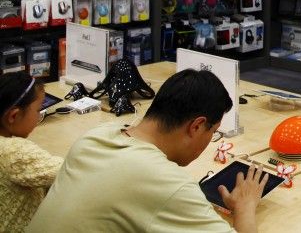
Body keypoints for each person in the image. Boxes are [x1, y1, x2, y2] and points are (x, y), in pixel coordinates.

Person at [27, 69, 267, 233]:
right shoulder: (168, 185)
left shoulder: (96, 136)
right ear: (196, 126)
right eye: (212, 132)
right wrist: (245, 207)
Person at [0, 73, 63, 233]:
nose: (38, 118)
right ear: (13, 116)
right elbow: (69, 169)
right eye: (38, 111)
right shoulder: (15, 152)